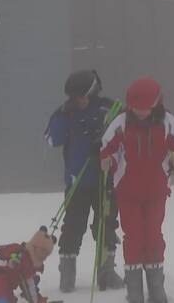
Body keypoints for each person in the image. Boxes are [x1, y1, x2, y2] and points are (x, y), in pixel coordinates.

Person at [100, 76, 174, 303]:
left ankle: (156, 286)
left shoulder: (167, 122)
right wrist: (107, 160)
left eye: (145, 109)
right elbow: (106, 147)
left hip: (156, 190)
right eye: (136, 109)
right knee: (133, 236)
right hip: (127, 191)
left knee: (153, 235)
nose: (140, 113)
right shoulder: (120, 123)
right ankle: (134, 289)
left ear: (156, 104)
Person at [44, 69, 123, 292]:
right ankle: (67, 273)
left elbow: (124, 137)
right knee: (73, 226)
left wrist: (105, 142)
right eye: (72, 97)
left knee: (106, 224)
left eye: (80, 96)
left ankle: (106, 271)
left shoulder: (108, 109)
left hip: (106, 179)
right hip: (77, 180)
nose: (76, 101)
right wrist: (61, 116)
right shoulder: (66, 113)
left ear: (92, 92)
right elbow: (52, 139)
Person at [0, 226, 55, 303]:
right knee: (0, 298)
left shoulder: (30, 265)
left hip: (6, 283)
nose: (44, 256)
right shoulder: (17, 250)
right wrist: (8, 262)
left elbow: (29, 286)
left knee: (10, 300)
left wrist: (37, 301)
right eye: (42, 252)